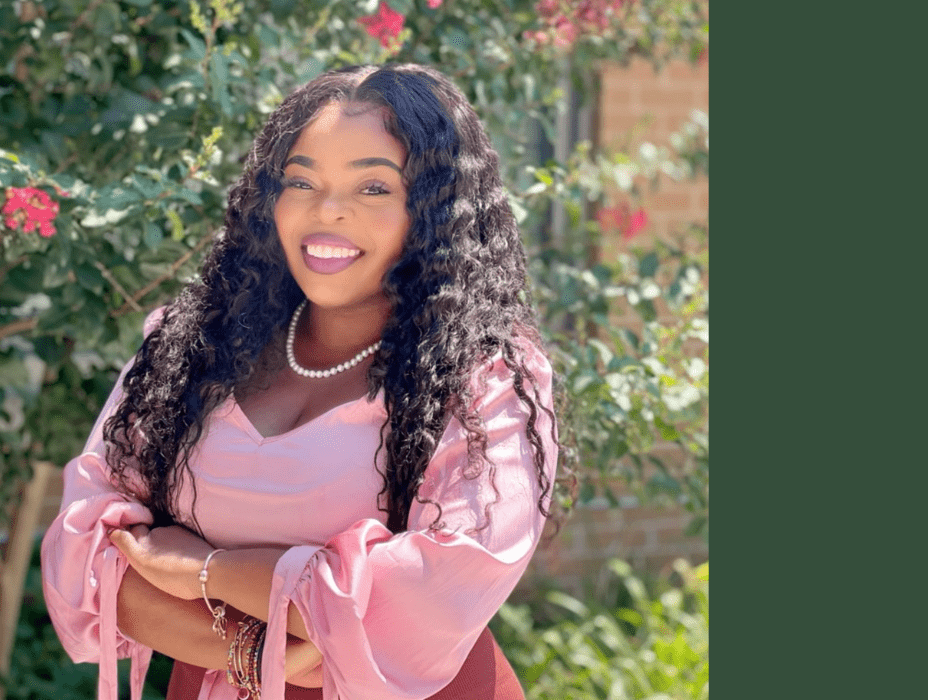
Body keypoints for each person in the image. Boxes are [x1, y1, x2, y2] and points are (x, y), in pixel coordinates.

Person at [41, 63, 559, 700]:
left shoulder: (482, 379)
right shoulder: (188, 348)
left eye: (373, 187)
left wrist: (202, 568)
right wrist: (279, 645)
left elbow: (434, 596)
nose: (328, 212)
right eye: (301, 181)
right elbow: (89, 559)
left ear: (433, 209)